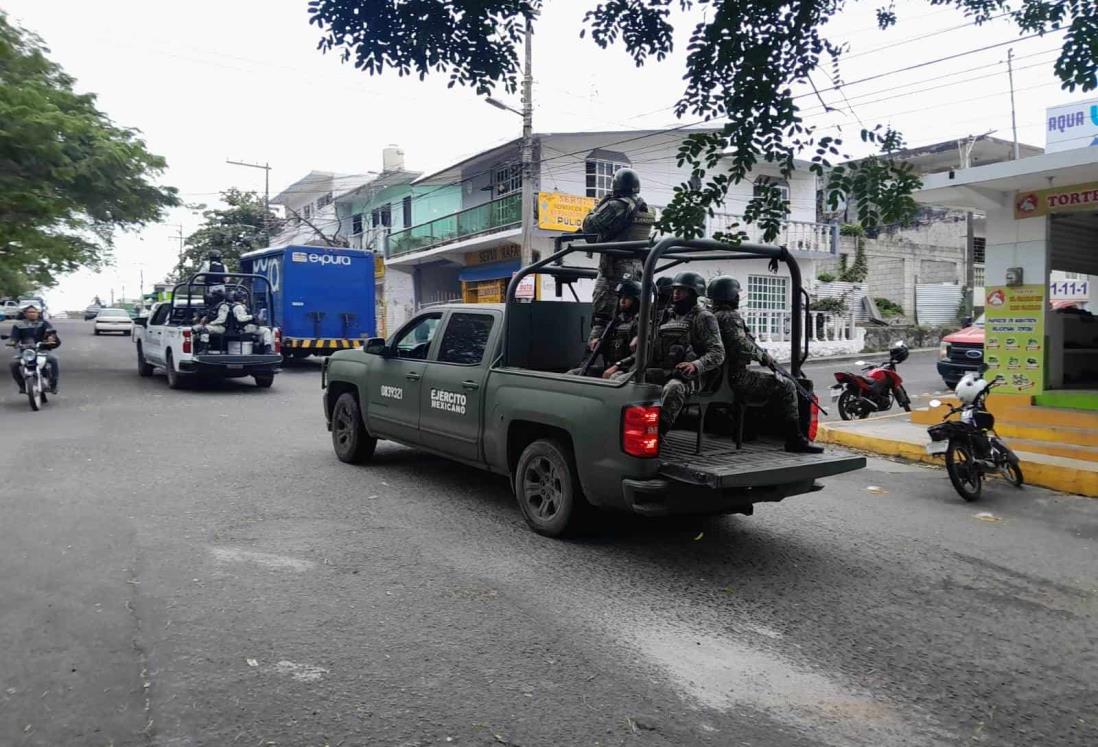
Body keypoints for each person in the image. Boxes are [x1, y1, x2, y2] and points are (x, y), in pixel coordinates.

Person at [707, 275, 822, 454]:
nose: (738, 297)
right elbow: (741, 345)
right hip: (733, 377)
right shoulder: (729, 317)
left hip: (715, 376)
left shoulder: (710, 316)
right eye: (736, 294)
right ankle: (795, 440)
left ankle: (745, 431)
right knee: (787, 386)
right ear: (728, 295)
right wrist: (764, 358)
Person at [616, 271, 724, 435]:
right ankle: (620, 428)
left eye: (682, 290)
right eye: (674, 290)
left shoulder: (703, 317)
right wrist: (641, 337)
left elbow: (717, 352)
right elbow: (651, 335)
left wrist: (695, 365)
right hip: (663, 369)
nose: (676, 294)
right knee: (621, 380)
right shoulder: (666, 315)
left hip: (690, 375)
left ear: (694, 293)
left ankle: (657, 435)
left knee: (674, 388)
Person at [581, 168, 655, 345]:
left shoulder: (616, 205)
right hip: (637, 268)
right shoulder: (647, 208)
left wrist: (600, 204)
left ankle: (591, 359)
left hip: (614, 268)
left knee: (602, 316)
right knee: (627, 315)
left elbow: (589, 225)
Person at [570, 279, 641, 377]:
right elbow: (612, 347)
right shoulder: (616, 321)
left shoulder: (640, 323)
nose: (622, 301)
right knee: (574, 374)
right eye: (621, 297)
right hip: (609, 367)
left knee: (614, 377)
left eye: (627, 298)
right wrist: (600, 343)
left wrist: (619, 365)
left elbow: (641, 354)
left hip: (626, 370)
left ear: (636, 301)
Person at [7, 303, 60, 393]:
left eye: (34, 312)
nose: (32, 313)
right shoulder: (18, 325)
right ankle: (22, 386)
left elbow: (51, 333)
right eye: (29, 312)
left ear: (38, 313)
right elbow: (14, 337)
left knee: (53, 359)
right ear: (25, 314)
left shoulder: (43, 323)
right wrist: (13, 343)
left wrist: (51, 337)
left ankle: (53, 384)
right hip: (26, 351)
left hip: (42, 349)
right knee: (13, 364)